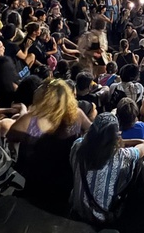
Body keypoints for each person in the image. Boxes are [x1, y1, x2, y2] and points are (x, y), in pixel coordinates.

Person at [6, 78, 91, 214]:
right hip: (66, 181)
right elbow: (91, 131)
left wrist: (22, 114)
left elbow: (11, 136)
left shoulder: (32, 120)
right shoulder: (76, 115)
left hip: (36, 182)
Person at [70, 112, 144, 226]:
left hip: (76, 210)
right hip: (100, 218)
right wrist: (121, 141)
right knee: (138, 162)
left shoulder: (77, 145)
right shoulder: (119, 156)